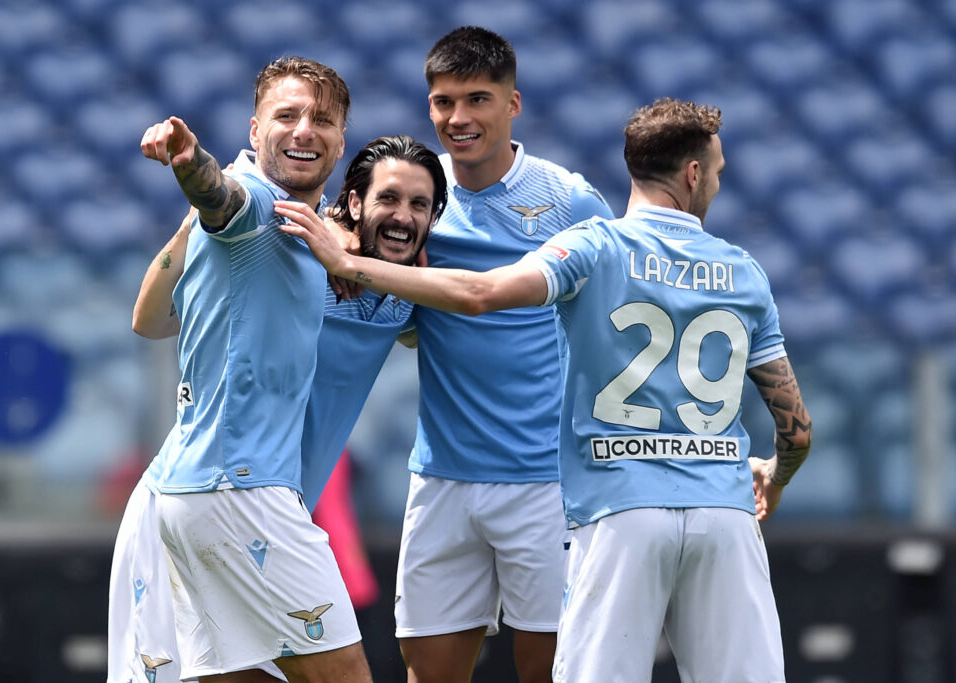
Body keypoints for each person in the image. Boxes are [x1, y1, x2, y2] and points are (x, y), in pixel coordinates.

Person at [277, 96, 814, 683]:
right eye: (717, 170)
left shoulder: (594, 245)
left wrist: (348, 260)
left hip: (620, 509)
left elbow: (480, 294)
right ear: (692, 174)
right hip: (725, 512)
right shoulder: (744, 270)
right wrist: (775, 476)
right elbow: (797, 429)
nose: (716, 180)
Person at [108, 134, 447, 683]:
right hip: (214, 493)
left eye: (418, 205)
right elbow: (149, 320)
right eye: (388, 199)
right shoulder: (289, 250)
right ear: (353, 203)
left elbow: (447, 306)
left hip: (262, 508)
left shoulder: (403, 289)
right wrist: (198, 217)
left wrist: (363, 260)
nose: (402, 217)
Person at [367, 26, 617, 683]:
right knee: (429, 674)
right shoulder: (414, 196)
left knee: (551, 672)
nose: (459, 117)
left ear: (513, 104)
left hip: (546, 482)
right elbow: (398, 305)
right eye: (443, 101)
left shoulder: (569, 199)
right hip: (441, 476)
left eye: (477, 99)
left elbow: (615, 320)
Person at [132, 55, 372, 683]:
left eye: (322, 120)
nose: (304, 130)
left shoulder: (304, 224)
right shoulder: (258, 202)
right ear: (255, 129)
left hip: (195, 489)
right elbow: (222, 197)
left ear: (341, 138)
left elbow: (148, 321)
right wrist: (190, 165)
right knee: (344, 675)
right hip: (240, 490)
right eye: (286, 115)